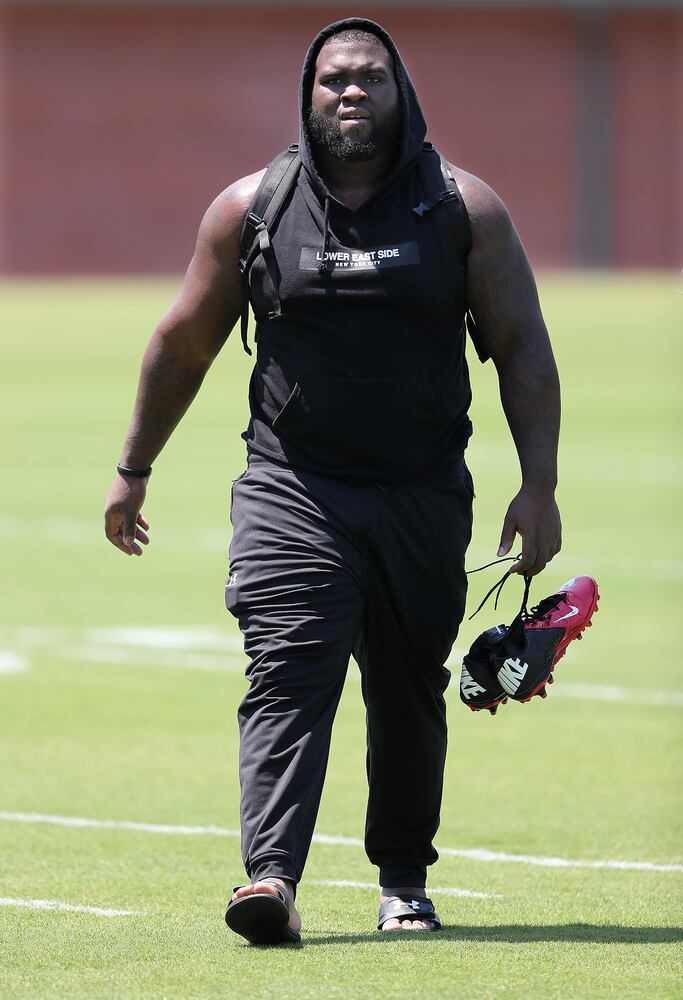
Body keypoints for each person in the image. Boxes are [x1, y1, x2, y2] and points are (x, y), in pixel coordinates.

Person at [104, 17, 561, 943]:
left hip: (420, 492)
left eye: (370, 80)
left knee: (405, 690)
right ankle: (268, 879)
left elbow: (519, 347)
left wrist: (537, 485)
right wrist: (133, 468)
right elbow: (182, 343)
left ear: (402, 95)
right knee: (286, 673)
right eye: (332, 82)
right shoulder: (251, 209)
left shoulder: (463, 211)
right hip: (292, 489)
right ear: (306, 97)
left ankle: (402, 881)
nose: (350, 94)